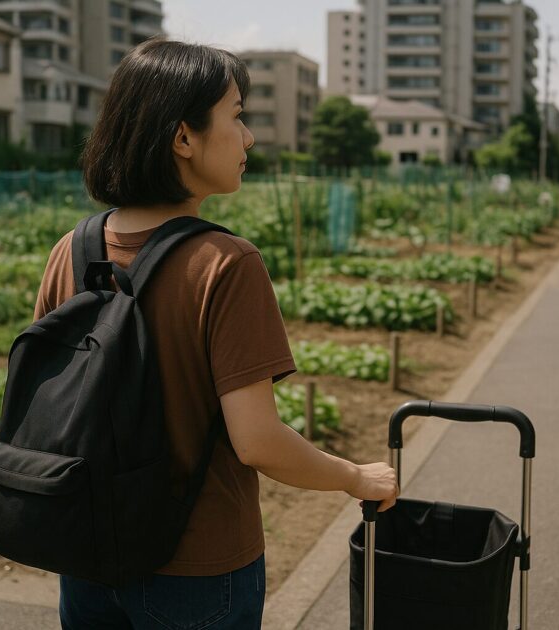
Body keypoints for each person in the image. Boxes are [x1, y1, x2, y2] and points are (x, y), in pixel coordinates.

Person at [33, 37, 399, 629]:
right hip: (198, 570)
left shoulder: (69, 252)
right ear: (183, 138)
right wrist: (355, 477)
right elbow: (257, 441)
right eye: (236, 115)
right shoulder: (226, 264)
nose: (249, 137)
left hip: (87, 552)